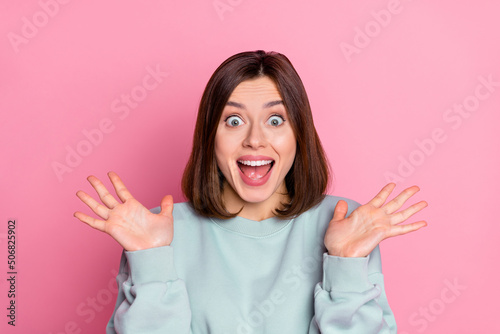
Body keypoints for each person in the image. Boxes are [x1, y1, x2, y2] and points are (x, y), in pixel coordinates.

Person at [74, 50, 427, 333]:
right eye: (233, 120)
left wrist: (345, 264)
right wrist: (151, 260)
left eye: (276, 120)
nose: (255, 139)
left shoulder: (346, 225)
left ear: (298, 134)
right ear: (209, 137)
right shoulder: (156, 233)